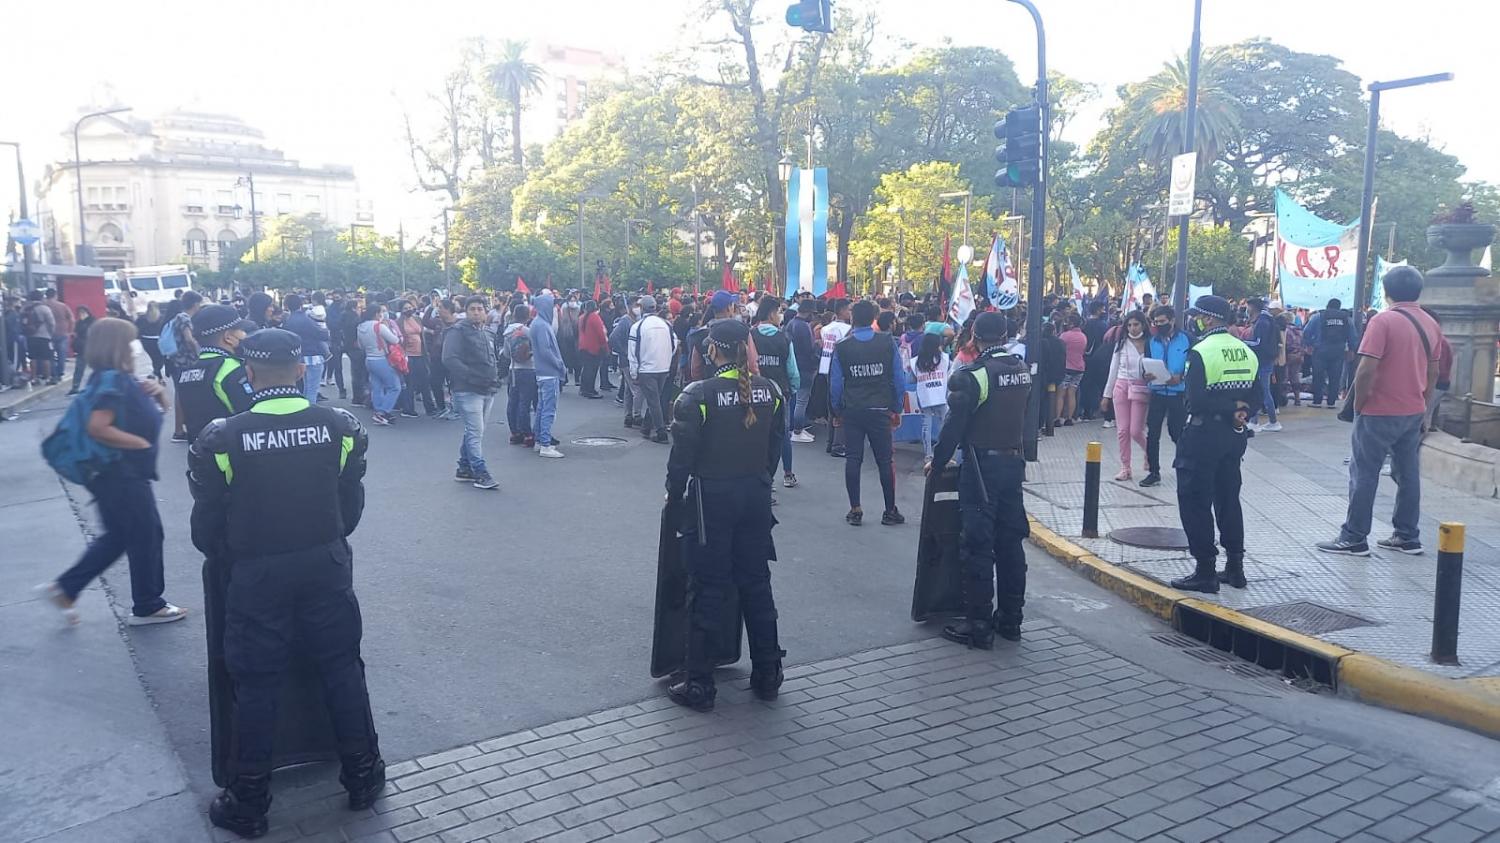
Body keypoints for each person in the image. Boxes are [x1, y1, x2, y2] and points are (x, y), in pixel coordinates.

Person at [187, 329, 384, 838]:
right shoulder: (340, 426)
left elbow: (207, 526)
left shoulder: (222, 437)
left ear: (248, 376)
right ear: (301, 370)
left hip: (256, 574)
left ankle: (249, 801)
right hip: (325, 563)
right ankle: (363, 777)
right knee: (342, 667)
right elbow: (350, 504)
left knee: (255, 681)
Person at [664, 319, 786, 711]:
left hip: (711, 500)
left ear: (713, 350)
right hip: (754, 496)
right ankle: (769, 673)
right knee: (756, 583)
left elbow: (681, 459)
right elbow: (774, 449)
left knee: (707, 589)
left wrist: (674, 496)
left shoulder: (697, 395)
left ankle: (699, 683)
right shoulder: (772, 390)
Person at [37, 317, 185, 626]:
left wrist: (159, 393)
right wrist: (140, 444)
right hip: (121, 474)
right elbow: (98, 428)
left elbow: (153, 414)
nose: (135, 346)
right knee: (145, 535)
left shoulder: (116, 379)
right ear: (118, 346)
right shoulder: (111, 381)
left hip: (114, 475)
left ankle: (66, 588)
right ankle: (148, 604)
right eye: (130, 340)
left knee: (119, 535)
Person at [1317, 267, 1440, 557]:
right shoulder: (1430, 323)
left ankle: (1354, 537)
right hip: (1413, 410)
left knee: (1364, 472)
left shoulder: (1383, 321)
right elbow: (1433, 371)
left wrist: (1359, 404)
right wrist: (1425, 410)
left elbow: (1367, 368)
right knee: (1408, 473)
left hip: (1379, 410)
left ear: (1386, 291)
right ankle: (1407, 535)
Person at [929, 311, 1032, 648]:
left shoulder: (973, 376)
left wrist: (938, 460)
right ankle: (1011, 620)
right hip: (1013, 465)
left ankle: (978, 625)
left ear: (973, 336)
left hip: (981, 469)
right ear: (1005, 335)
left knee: (977, 545)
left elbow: (954, 426)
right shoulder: (1021, 369)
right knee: (1011, 543)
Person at [1168, 296, 1258, 593]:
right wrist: (1237, 408)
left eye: (1197, 317)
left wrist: (1225, 407)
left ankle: (1205, 570)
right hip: (1235, 435)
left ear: (1207, 319)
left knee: (1195, 500)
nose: (1195, 321)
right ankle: (1235, 566)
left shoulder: (1201, 352)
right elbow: (1257, 398)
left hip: (1203, 434)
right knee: (1228, 499)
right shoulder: (1245, 351)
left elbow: (1196, 400)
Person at [831, 300, 907, 526]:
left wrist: (837, 410)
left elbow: (836, 384)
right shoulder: (887, 342)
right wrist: (897, 407)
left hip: (853, 409)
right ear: (874, 317)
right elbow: (898, 378)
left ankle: (855, 509)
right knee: (885, 460)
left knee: (853, 458)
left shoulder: (842, 347)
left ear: (852, 319)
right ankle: (890, 510)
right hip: (880, 408)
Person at [441, 296, 502, 489]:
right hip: (468, 390)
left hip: (487, 388)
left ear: (485, 311)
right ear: (466, 311)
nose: (476, 312)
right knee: (475, 431)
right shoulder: (457, 332)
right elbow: (449, 358)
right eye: (472, 309)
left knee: (476, 430)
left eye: (480, 308)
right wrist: (471, 377)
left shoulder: (487, 333)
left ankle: (464, 467)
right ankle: (480, 472)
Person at [176, 305, 255, 443]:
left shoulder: (187, 369)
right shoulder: (230, 368)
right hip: (229, 453)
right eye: (241, 330)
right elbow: (249, 414)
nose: (244, 335)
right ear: (228, 337)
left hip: (199, 451)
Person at [752, 295, 800, 489]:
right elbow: (792, 370)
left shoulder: (750, 335)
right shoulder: (784, 338)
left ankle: (761, 478)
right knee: (782, 434)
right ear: (772, 314)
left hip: (755, 392)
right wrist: (793, 389)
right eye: (779, 311)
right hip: (780, 392)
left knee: (757, 435)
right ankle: (787, 473)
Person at [1140, 305, 1190, 488]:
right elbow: (1146, 363)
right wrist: (1147, 375)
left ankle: (1184, 465)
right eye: (1156, 322)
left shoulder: (1186, 339)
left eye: (1163, 321)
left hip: (1178, 393)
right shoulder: (1151, 342)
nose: (1159, 325)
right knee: (1152, 434)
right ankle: (1154, 471)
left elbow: (1192, 363)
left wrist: (1182, 376)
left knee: (1177, 432)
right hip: (1157, 392)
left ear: (1172, 320)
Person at [1101, 310, 1150, 481]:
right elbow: (1112, 370)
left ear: (1143, 325)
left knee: (1136, 430)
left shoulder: (1150, 344)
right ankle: (1125, 467)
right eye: (1129, 325)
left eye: (1136, 324)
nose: (1133, 328)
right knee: (1122, 430)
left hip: (1141, 388)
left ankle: (1149, 451)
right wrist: (1106, 395)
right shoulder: (1121, 344)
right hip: (1121, 386)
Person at [629, 296, 677, 445]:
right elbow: (674, 344)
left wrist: (634, 372)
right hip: (663, 367)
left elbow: (633, 352)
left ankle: (660, 432)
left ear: (642, 308)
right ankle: (646, 427)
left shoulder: (638, 326)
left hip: (646, 369)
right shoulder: (666, 325)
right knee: (654, 398)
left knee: (653, 400)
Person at [528, 293, 566, 458]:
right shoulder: (542, 325)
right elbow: (546, 350)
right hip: (549, 373)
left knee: (542, 408)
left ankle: (539, 440)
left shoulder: (537, 323)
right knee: (548, 409)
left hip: (543, 372)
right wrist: (559, 364)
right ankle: (545, 444)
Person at [1304, 297, 1356, 409]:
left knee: (1318, 376)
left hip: (1320, 350)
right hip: (1338, 350)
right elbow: (1352, 335)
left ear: (1327, 306)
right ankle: (1331, 402)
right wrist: (1351, 349)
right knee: (1335, 376)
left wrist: (1308, 345)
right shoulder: (1346, 319)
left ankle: (1317, 401)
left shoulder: (1318, 316)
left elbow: (1306, 331)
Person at [908, 331, 950, 461]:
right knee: (944, 425)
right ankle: (944, 452)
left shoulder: (916, 362)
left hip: (925, 396)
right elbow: (950, 372)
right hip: (941, 396)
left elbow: (911, 380)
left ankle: (928, 455)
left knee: (926, 426)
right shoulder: (945, 358)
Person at [357, 302, 402, 426]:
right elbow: (395, 340)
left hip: (369, 359)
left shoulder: (360, 327)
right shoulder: (378, 326)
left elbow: (360, 345)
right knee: (394, 387)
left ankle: (378, 410)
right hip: (381, 359)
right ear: (376, 313)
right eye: (381, 312)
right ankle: (383, 412)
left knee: (377, 387)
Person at [1243, 298, 1282, 432]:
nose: (1246, 309)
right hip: (1265, 360)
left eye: (1247, 306)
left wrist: (1243, 342)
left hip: (1262, 360)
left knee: (1263, 391)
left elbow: (1259, 343)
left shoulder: (1262, 322)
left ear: (1253, 307)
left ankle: (1270, 421)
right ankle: (1260, 421)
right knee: (1262, 391)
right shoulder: (1267, 320)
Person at [281, 295, 329, 404]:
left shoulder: (288, 321)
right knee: (312, 389)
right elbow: (322, 335)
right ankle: (310, 413)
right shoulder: (306, 319)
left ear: (286, 305)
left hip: (298, 356)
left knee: (305, 388)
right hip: (313, 356)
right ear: (301, 304)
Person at [504, 303, 537, 447]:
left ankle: (515, 432)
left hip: (513, 369)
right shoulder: (528, 331)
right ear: (528, 316)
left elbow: (505, 353)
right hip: (528, 369)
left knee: (513, 401)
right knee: (525, 402)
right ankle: (527, 434)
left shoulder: (507, 331)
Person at [786, 304, 817, 443]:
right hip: (804, 366)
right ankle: (797, 430)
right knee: (802, 400)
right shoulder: (804, 327)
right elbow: (809, 348)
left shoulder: (791, 324)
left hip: (795, 364)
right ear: (808, 312)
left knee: (797, 399)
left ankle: (796, 428)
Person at [22, 289, 56, 385]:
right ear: (41, 297)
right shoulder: (44, 308)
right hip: (44, 336)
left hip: (30, 337)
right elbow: (51, 323)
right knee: (46, 357)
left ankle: (33, 378)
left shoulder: (25, 308)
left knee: (33, 357)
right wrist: (51, 334)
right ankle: (48, 378)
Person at [1058, 315, 1087, 424]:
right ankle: (1069, 418)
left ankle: (1057, 418)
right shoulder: (1083, 336)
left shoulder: (1064, 336)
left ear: (1071, 323)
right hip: (1079, 367)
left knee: (1061, 394)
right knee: (1072, 393)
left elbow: (1060, 349)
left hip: (1066, 367)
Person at [576, 299, 608, 398]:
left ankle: (584, 389)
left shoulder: (581, 318)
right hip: (594, 347)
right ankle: (589, 390)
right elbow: (601, 334)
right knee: (592, 370)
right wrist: (605, 347)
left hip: (583, 346)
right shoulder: (594, 317)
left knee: (586, 369)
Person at [44, 288, 75, 382]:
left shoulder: (44, 306)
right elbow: (72, 319)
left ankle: (53, 373)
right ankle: (60, 372)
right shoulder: (63, 306)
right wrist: (70, 331)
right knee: (62, 354)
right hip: (62, 333)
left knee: (50, 355)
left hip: (48, 334)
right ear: (55, 295)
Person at [67, 306, 97, 394]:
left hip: (91, 348)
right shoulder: (79, 322)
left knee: (94, 368)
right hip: (82, 348)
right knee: (79, 368)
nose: (81, 314)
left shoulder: (92, 322)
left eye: (83, 312)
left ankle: (94, 386)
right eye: (79, 312)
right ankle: (75, 387)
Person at [135, 301, 166, 380]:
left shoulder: (142, 318)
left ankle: (158, 375)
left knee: (154, 358)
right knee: (160, 358)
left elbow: (136, 328)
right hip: (158, 340)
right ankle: (156, 372)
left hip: (146, 340)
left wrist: (139, 337)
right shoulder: (162, 317)